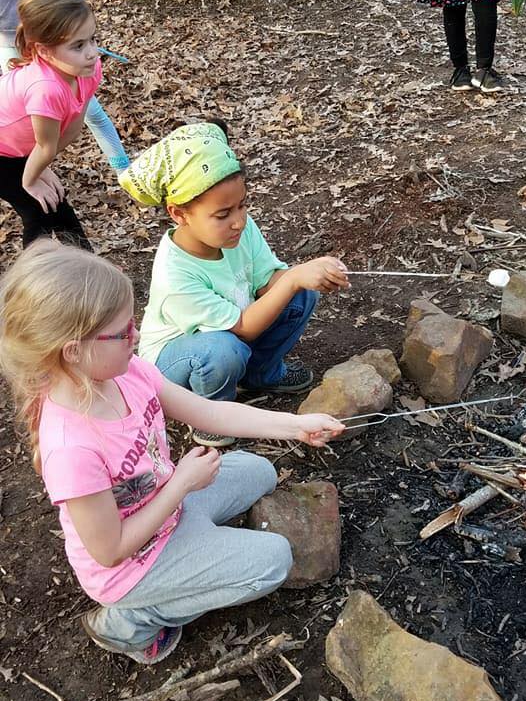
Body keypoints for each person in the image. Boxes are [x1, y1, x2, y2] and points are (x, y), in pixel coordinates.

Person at [0, 241, 344, 665]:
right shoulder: (71, 448)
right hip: (133, 565)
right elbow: (111, 550)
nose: (138, 335)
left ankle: (197, 540)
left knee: (260, 472)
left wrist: (295, 427)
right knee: (273, 562)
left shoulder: (128, 373)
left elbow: (209, 412)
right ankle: (129, 623)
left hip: (169, 501)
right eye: (123, 331)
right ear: (74, 351)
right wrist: (182, 483)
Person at [121, 121, 351, 448]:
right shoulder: (176, 273)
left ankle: (262, 374)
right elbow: (243, 328)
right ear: (179, 214)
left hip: (232, 337)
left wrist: (312, 273)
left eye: (242, 205)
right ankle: (212, 412)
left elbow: (268, 282)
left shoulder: (238, 231)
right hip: (178, 364)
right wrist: (295, 278)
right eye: (223, 213)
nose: (239, 220)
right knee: (223, 350)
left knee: (301, 294)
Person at [0, 0, 129, 171]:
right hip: (10, 33)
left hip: (59, 33)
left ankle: (125, 171)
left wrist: (78, 21)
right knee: (26, 113)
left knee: (91, 111)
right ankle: (31, 171)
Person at [0, 0, 103, 249]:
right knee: (38, 211)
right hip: (2, 153)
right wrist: (31, 179)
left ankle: (89, 274)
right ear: (44, 51)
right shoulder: (44, 89)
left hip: (19, 149)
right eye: (78, 45)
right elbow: (46, 146)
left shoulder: (87, 70)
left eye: (93, 39)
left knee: (57, 206)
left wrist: (39, 167)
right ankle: (29, 287)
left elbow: (71, 129)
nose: (91, 52)